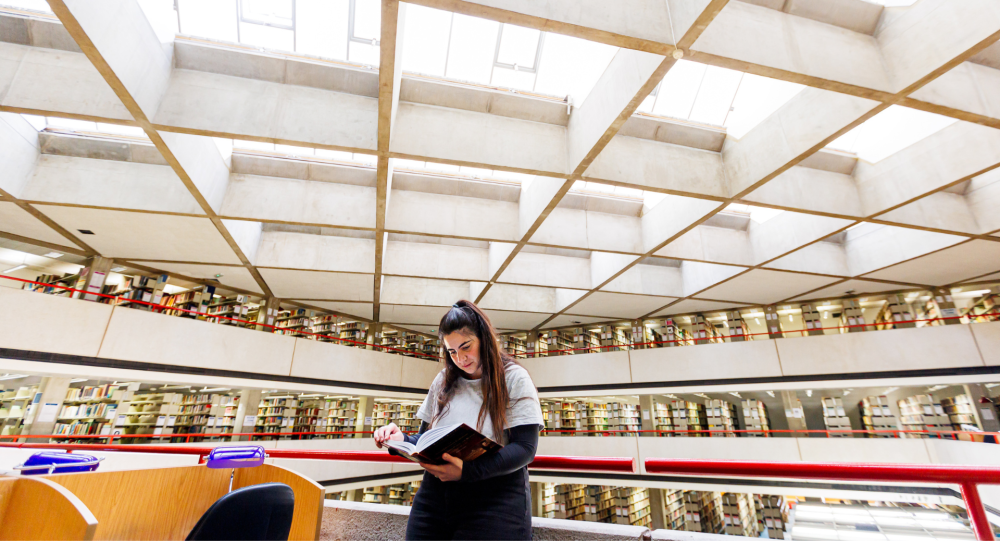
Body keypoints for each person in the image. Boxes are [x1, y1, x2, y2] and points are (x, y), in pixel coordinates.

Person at [373, 299, 543, 540]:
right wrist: (401, 440)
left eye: (466, 347)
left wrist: (467, 471)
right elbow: (426, 439)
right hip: (435, 495)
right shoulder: (443, 380)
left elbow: (525, 448)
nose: (460, 358)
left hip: (495, 497)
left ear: (485, 339)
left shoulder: (515, 378)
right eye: (452, 351)